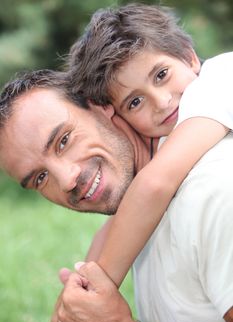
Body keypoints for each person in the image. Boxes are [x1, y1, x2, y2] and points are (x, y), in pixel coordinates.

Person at [0, 70, 232, 322]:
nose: (66, 179)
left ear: (100, 105)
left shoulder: (212, 196)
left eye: (63, 141)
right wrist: (78, 312)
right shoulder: (138, 210)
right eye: (40, 178)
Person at [66, 3, 233, 288]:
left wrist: (97, 291)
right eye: (135, 102)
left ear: (189, 56)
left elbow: (153, 184)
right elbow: (115, 224)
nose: (162, 102)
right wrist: (80, 282)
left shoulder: (220, 77)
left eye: (161, 75)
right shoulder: (170, 137)